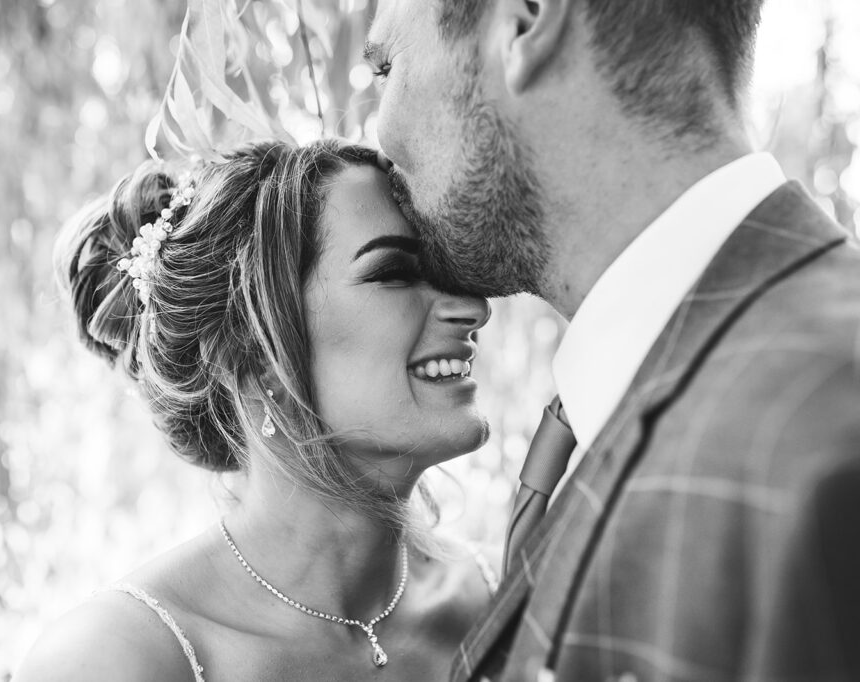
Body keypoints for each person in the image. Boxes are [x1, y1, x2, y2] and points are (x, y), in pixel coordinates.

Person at [367, 1, 860, 680]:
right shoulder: (637, 396)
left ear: (526, 20)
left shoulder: (827, 440)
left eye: (385, 64)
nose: (378, 133)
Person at [12, 139, 500, 681]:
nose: (473, 308)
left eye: (444, 271)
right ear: (254, 350)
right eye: (393, 272)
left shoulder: (499, 598)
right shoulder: (116, 658)